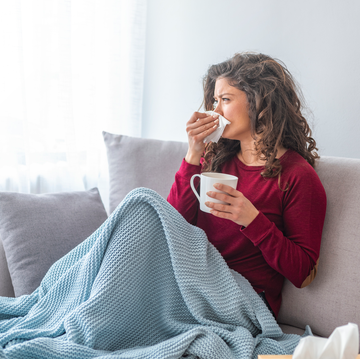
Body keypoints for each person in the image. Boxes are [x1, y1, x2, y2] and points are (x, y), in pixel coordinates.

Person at [168, 52, 327, 318]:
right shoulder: (215, 158)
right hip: (194, 285)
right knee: (140, 205)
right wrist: (193, 154)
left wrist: (253, 220)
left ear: (260, 103)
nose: (215, 111)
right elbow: (171, 226)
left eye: (226, 100)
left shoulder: (297, 176)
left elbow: (303, 274)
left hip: (244, 302)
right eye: (215, 101)